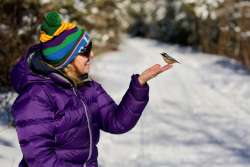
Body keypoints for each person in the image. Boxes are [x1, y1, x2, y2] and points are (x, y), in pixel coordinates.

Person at [10, 11, 173, 167]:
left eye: (91, 47)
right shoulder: (36, 96)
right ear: (66, 59)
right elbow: (40, 160)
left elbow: (116, 122)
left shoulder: (87, 87)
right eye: (86, 51)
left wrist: (139, 84)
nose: (92, 55)